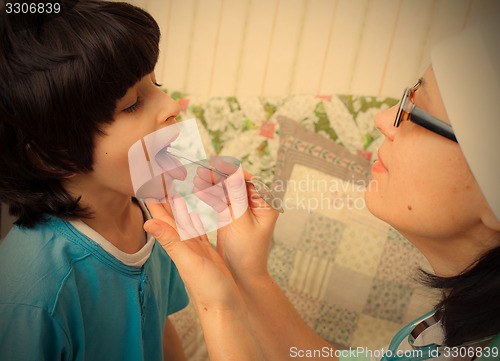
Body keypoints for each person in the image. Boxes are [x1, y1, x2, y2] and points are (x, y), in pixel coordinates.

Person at [143, 12, 500, 361]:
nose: (382, 120)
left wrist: (217, 305)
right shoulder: (460, 326)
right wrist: (246, 273)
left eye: (416, 112)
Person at [0, 1, 189, 360]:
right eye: (133, 103)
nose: (170, 105)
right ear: (54, 155)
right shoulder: (29, 294)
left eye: (157, 83)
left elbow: (160, 327)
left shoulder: (156, 215)